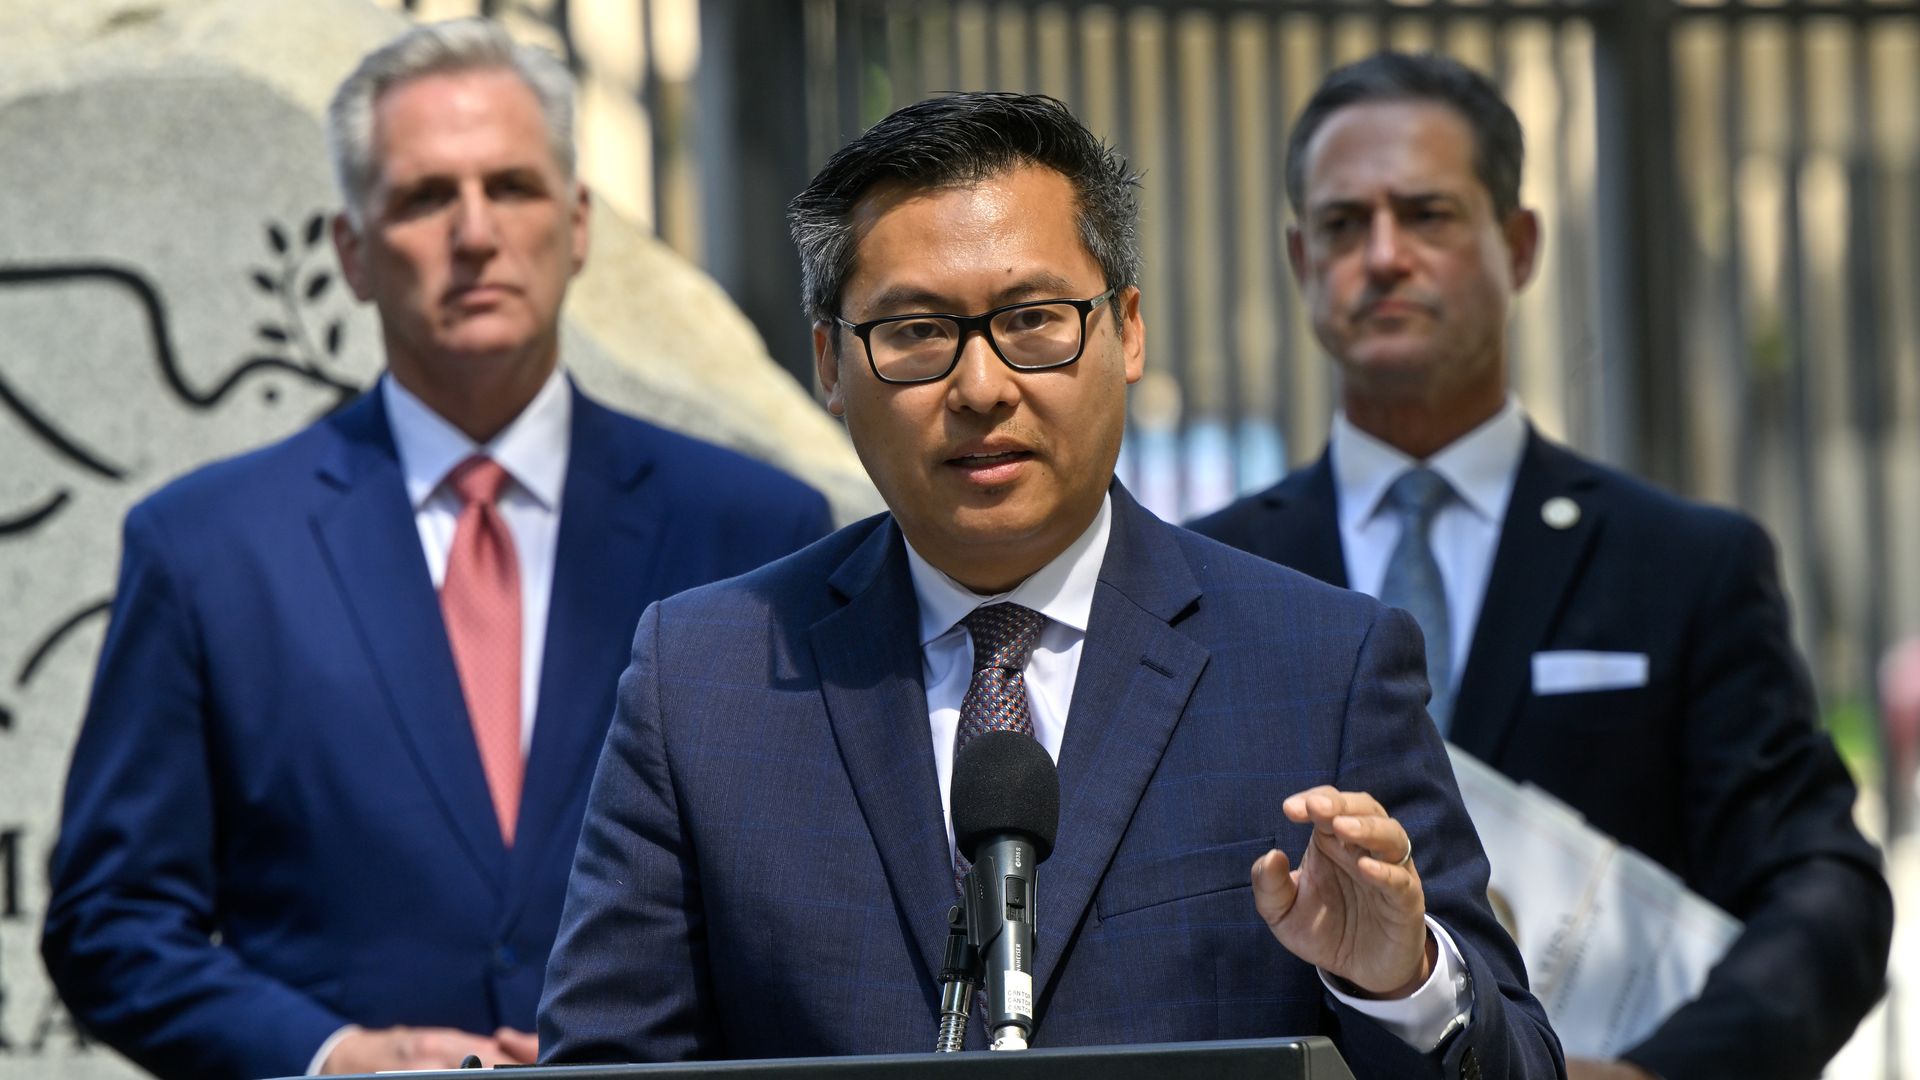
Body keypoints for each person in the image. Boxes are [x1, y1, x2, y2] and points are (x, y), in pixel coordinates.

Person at [538, 91, 1562, 1079]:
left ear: (1126, 328)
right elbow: (606, 1065)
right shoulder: (704, 680)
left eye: (1032, 319)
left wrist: (1401, 982)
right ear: (831, 367)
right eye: (915, 333)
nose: (980, 387)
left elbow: (1515, 1064)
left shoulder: (1321, 667)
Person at [39, 18, 831, 1080]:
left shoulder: (751, 531)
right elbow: (112, 922)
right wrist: (331, 1056)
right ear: (351, 254)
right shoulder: (207, 549)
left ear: (578, 224)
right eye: (423, 197)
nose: (474, 232)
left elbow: (818, 899)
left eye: (511, 186)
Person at [1191, 52, 1892, 1080]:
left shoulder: (1683, 565)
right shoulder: (1207, 573)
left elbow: (1825, 890)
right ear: (1300, 260)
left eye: (1427, 213)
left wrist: (1661, 1074)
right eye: (1344, 224)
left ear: (1517, 245)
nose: (1383, 256)